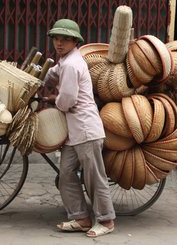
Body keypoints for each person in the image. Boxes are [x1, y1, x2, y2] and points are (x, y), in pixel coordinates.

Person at [43, 19, 116, 238]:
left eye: (65, 39)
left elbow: (67, 100)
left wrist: (53, 99)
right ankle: (81, 218)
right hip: (73, 133)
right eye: (56, 38)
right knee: (65, 174)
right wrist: (41, 77)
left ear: (75, 41)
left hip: (86, 130)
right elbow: (54, 72)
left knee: (94, 177)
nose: (59, 43)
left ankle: (106, 220)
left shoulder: (72, 64)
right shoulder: (66, 60)